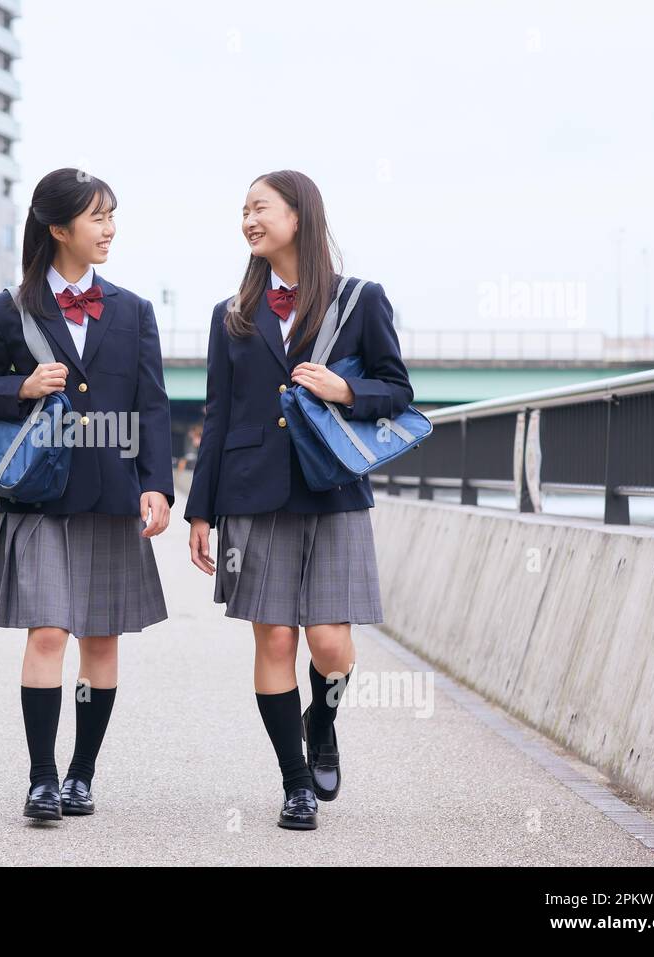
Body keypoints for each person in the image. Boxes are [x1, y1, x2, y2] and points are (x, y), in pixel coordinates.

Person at [184, 169, 413, 830]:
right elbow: (219, 415)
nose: (249, 220)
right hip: (254, 494)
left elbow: (397, 390)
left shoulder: (361, 300)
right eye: (244, 211)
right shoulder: (231, 316)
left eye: (259, 207)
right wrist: (202, 509)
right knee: (276, 635)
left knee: (332, 645)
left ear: (299, 215)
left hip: (332, 489)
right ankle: (294, 784)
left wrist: (347, 393)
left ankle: (324, 718)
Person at [0, 168, 175, 821]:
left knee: (101, 640)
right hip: (40, 494)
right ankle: (41, 778)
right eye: (97, 217)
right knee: (49, 630)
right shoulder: (7, 310)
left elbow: (154, 406)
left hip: (112, 493)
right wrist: (20, 389)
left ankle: (82, 775)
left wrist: (158, 485)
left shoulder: (134, 310)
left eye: (113, 216)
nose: (109, 229)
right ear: (59, 229)